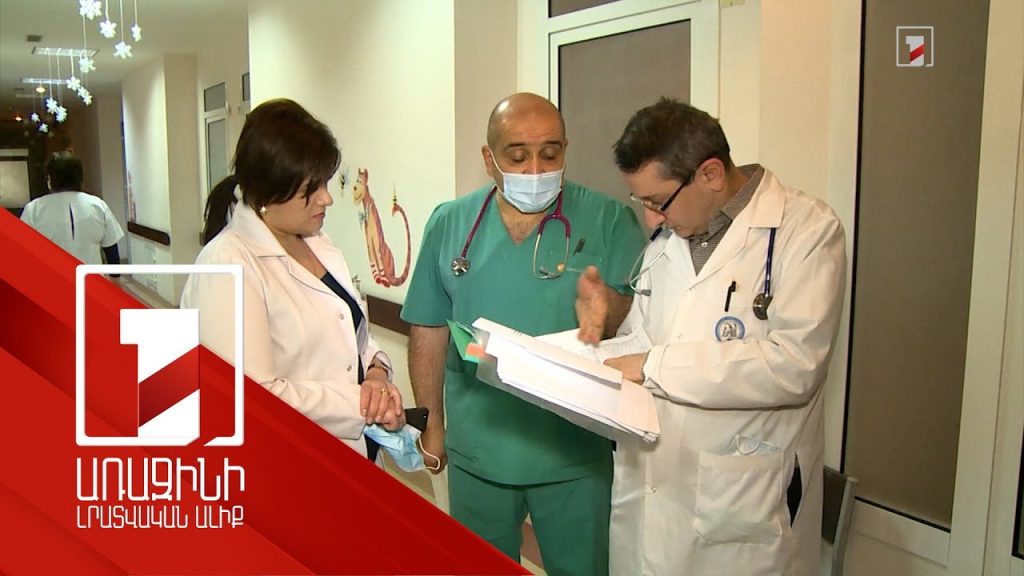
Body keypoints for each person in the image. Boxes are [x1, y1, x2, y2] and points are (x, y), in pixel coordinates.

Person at [575, 98, 847, 576]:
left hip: (741, 501)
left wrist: (654, 366)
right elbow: (647, 337)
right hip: (650, 485)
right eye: (642, 203)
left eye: (658, 201)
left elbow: (795, 365)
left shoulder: (806, 231)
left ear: (711, 174)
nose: (651, 220)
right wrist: (599, 339)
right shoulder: (667, 242)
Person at [400, 92, 645, 575]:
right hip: (479, 449)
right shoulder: (451, 223)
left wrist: (609, 310)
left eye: (550, 154)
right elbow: (428, 326)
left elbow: (641, 326)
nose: (535, 170)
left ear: (566, 150)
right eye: (517, 156)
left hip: (574, 453)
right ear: (488, 159)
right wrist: (432, 425)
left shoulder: (609, 220)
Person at [180, 99, 405, 460]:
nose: (327, 199)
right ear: (269, 191)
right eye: (310, 189)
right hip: (285, 463)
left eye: (325, 183)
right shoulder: (227, 265)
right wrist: (360, 403)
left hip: (354, 453)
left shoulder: (318, 243)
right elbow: (252, 397)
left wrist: (377, 372)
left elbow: (349, 332)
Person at [21, 151, 124, 266]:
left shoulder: (34, 209)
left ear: (50, 178)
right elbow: (111, 250)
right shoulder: (98, 205)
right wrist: (115, 274)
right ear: (80, 177)